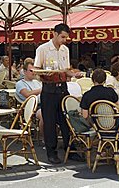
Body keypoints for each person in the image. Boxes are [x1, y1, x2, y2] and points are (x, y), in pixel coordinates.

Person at [34, 23, 83, 164]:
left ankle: (70, 149)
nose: (64, 40)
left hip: (62, 87)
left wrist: (74, 74)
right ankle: (51, 152)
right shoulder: (43, 49)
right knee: (49, 121)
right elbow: (36, 69)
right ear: (54, 34)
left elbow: (66, 70)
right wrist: (44, 74)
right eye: (62, 37)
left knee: (66, 119)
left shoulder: (65, 50)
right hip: (48, 88)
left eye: (66, 37)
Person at [15, 60, 44, 138]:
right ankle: (45, 138)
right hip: (31, 107)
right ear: (24, 71)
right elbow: (27, 94)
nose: (33, 73)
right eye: (31, 71)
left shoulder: (37, 82)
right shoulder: (20, 83)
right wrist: (42, 90)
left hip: (44, 103)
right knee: (44, 115)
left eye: (34, 71)